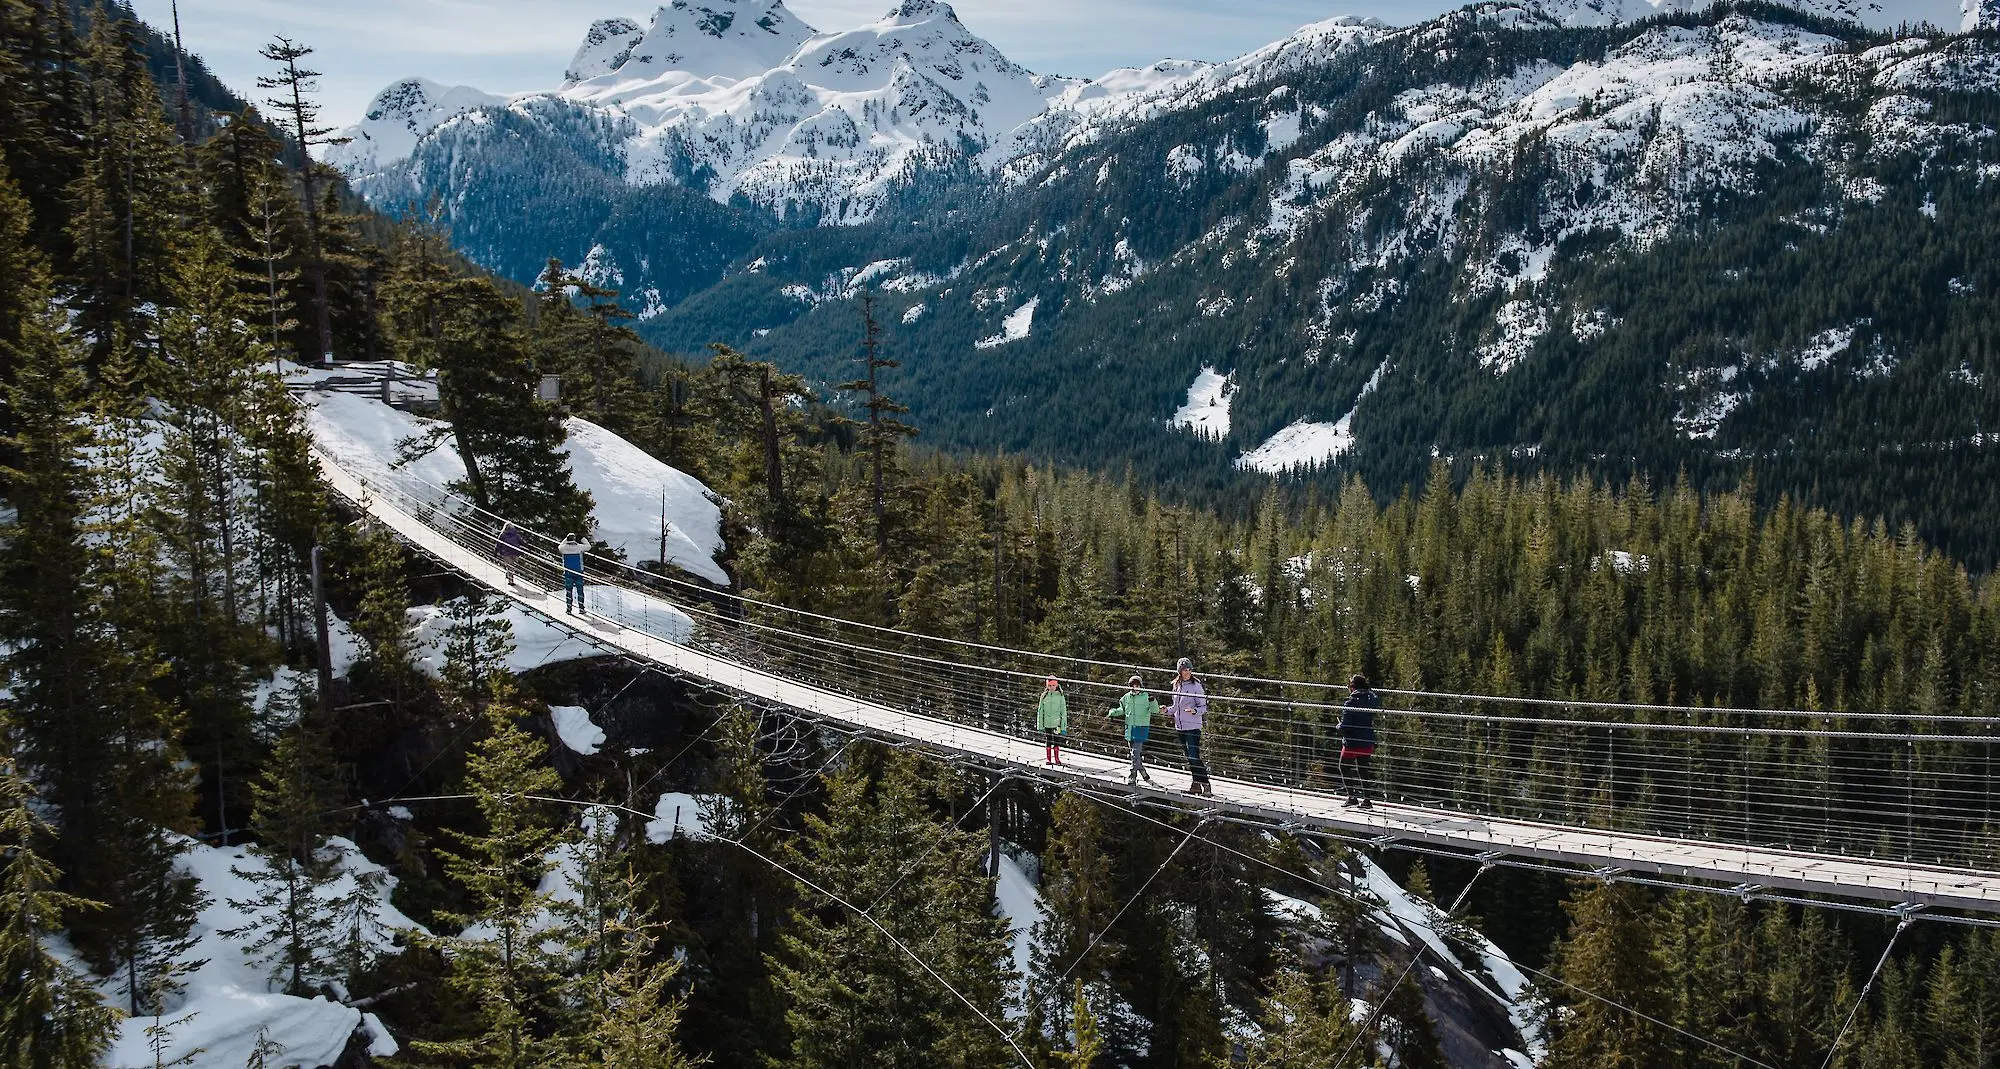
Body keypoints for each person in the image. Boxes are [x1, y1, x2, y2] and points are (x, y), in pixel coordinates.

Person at [1166, 657, 1213, 796]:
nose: (1187, 672)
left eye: (1189, 669)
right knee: (1189, 757)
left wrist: (1195, 711)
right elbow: (1174, 707)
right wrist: (1166, 710)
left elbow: (1203, 707)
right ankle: (1196, 784)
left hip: (1193, 726)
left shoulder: (1196, 686)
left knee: (1194, 756)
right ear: (1180, 671)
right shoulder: (1176, 685)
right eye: (1185, 669)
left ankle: (1205, 784)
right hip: (1180, 726)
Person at [1337, 674, 1380, 809]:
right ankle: (1367, 800)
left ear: (1352, 687)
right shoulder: (1371, 699)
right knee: (1363, 770)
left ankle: (1352, 797)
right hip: (1367, 741)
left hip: (1352, 742)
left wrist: (1338, 727)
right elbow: (1375, 698)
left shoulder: (1350, 703)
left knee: (1344, 767)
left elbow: (1345, 726)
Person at [1108, 675, 1159, 787]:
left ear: (1141, 686)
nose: (1135, 688)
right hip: (1130, 729)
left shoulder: (1146, 696)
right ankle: (1144, 773)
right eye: (1133, 686)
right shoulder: (1126, 697)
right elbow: (1122, 709)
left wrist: (1153, 702)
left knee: (1135, 753)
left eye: (1137, 685)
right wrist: (1113, 712)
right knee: (1134, 755)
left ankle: (1132, 777)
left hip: (1141, 729)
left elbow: (1155, 711)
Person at [1037, 677, 1069, 766]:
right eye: (1049, 685)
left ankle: (1057, 758)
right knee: (1048, 740)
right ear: (1047, 686)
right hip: (1047, 723)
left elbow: (1063, 712)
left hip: (1057, 724)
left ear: (1057, 685)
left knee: (1056, 741)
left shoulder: (1060, 696)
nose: (1051, 687)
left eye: (1053, 685)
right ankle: (1048, 758)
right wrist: (1040, 725)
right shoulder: (1044, 696)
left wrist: (1063, 727)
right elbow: (1040, 711)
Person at [557, 532, 590, 615]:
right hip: (578, 572)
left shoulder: (563, 548)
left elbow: (559, 546)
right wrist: (582, 538)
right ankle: (581, 608)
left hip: (568, 572)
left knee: (569, 591)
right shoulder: (579, 547)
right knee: (580, 591)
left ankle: (569, 609)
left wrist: (566, 538)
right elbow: (589, 547)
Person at [495, 521, 526, 586]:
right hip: (515, 552)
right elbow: (521, 542)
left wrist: (496, 551)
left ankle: (509, 576)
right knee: (511, 566)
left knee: (510, 566)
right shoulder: (515, 534)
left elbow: (498, 543)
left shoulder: (502, 534)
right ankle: (510, 581)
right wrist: (526, 546)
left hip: (506, 552)